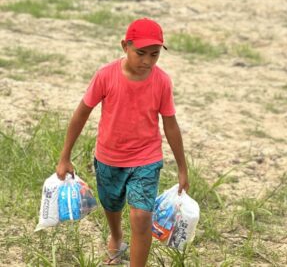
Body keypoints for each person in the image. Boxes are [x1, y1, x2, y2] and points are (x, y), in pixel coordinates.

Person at [55, 18, 189, 266]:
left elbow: (170, 124)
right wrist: (65, 156)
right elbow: (82, 112)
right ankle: (116, 237)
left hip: (146, 158)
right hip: (109, 157)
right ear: (124, 46)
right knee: (112, 204)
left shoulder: (161, 81)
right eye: (140, 53)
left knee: (140, 216)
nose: (147, 61)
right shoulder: (106, 76)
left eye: (155, 54)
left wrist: (182, 168)